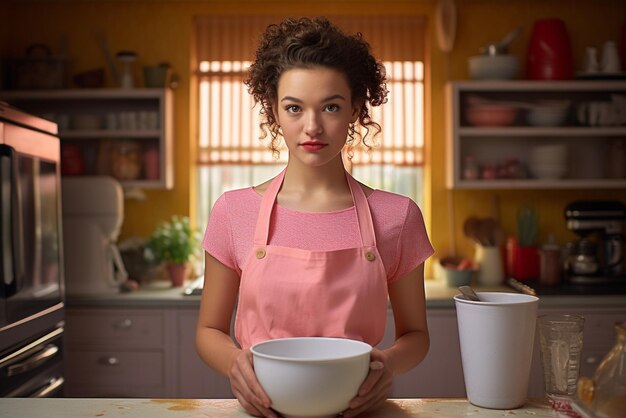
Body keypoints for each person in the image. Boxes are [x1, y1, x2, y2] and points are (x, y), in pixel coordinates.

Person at [196, 16, 434, 418]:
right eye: (294, 108)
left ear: (356, 109)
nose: (312, 127)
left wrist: (389, 365)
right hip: (262, 411)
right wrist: (234, 364)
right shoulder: (233, 212)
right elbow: (209, 331)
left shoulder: (397, 216)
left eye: (331, 106)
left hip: (358, 410)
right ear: (273, 110)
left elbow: (416, 336)